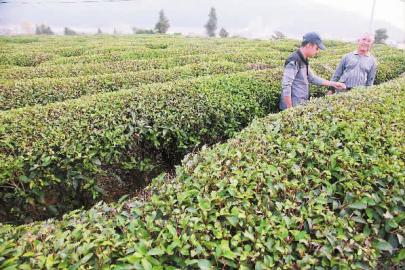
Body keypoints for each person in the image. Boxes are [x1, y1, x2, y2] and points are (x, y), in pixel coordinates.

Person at [279, 32, 346, 110]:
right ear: (309, 45)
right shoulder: (294, 60)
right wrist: (289, 109)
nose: (317, 51)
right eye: (316, 48)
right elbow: (286, 85)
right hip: (293, 105)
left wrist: (333, 84)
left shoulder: (304, 59)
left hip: (300, 103)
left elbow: (312, 78)